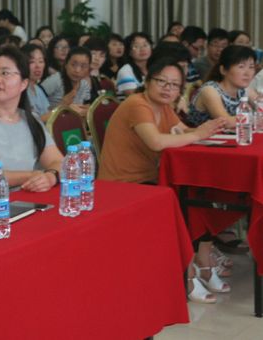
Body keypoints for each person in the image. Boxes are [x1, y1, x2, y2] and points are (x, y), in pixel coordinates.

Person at [98, 58, 228, 304]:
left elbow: (183, 130)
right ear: (148, 82)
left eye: (174, 85)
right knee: (180, 203)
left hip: (150, 179)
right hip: (122, 185)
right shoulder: (138, 104)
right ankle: (187, 274)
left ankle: (201, 260)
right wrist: (198, 134)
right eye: (162, 82)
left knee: (200, 194)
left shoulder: (163, 106)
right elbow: (156, 142)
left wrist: (208, 129)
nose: (168, 88)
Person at [0, 46, 62, 191]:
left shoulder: (30, 119)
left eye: (5, 73)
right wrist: (31, 176)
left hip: (29, 198)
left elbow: (58, 161)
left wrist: (50, 177)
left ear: (24, 83)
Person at [187, 45, 257, 128]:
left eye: (251, 67)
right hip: (199, 136)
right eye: (241, 67)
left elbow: (261, 107)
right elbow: (226, 122)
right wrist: (257, 117)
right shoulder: (210, 90)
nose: (247, 73)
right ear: (223, 70)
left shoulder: (244, 90)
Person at [40, 46, 93, 114]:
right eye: (73, 65)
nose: (77, 70)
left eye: (83, 66)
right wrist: (62, 105)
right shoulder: (55, 80)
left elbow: (86, 106)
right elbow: (36, 106)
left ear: (88, 68)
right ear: (66, 64)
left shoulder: (85, 85)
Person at [21, 43, 50, 119]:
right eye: (32, 62)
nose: (38, 66)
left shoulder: (38, 89)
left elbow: (47, 112)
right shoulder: (20, 90)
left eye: (41, 61)